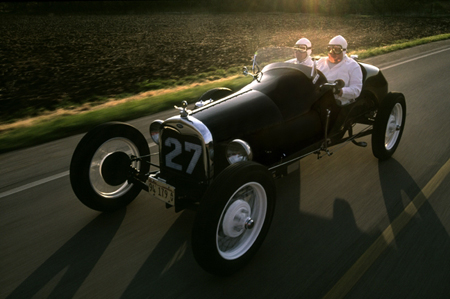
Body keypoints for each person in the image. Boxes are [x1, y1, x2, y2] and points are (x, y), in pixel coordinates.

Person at [317, 35, 362, 105]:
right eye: (330, 49)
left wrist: (339, 91)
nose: (332, 52)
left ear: (344, 51)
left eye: (337, 50)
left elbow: (356, 91)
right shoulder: (320, 62)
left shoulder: (353, 66)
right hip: (318, 100)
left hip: (338, 103)